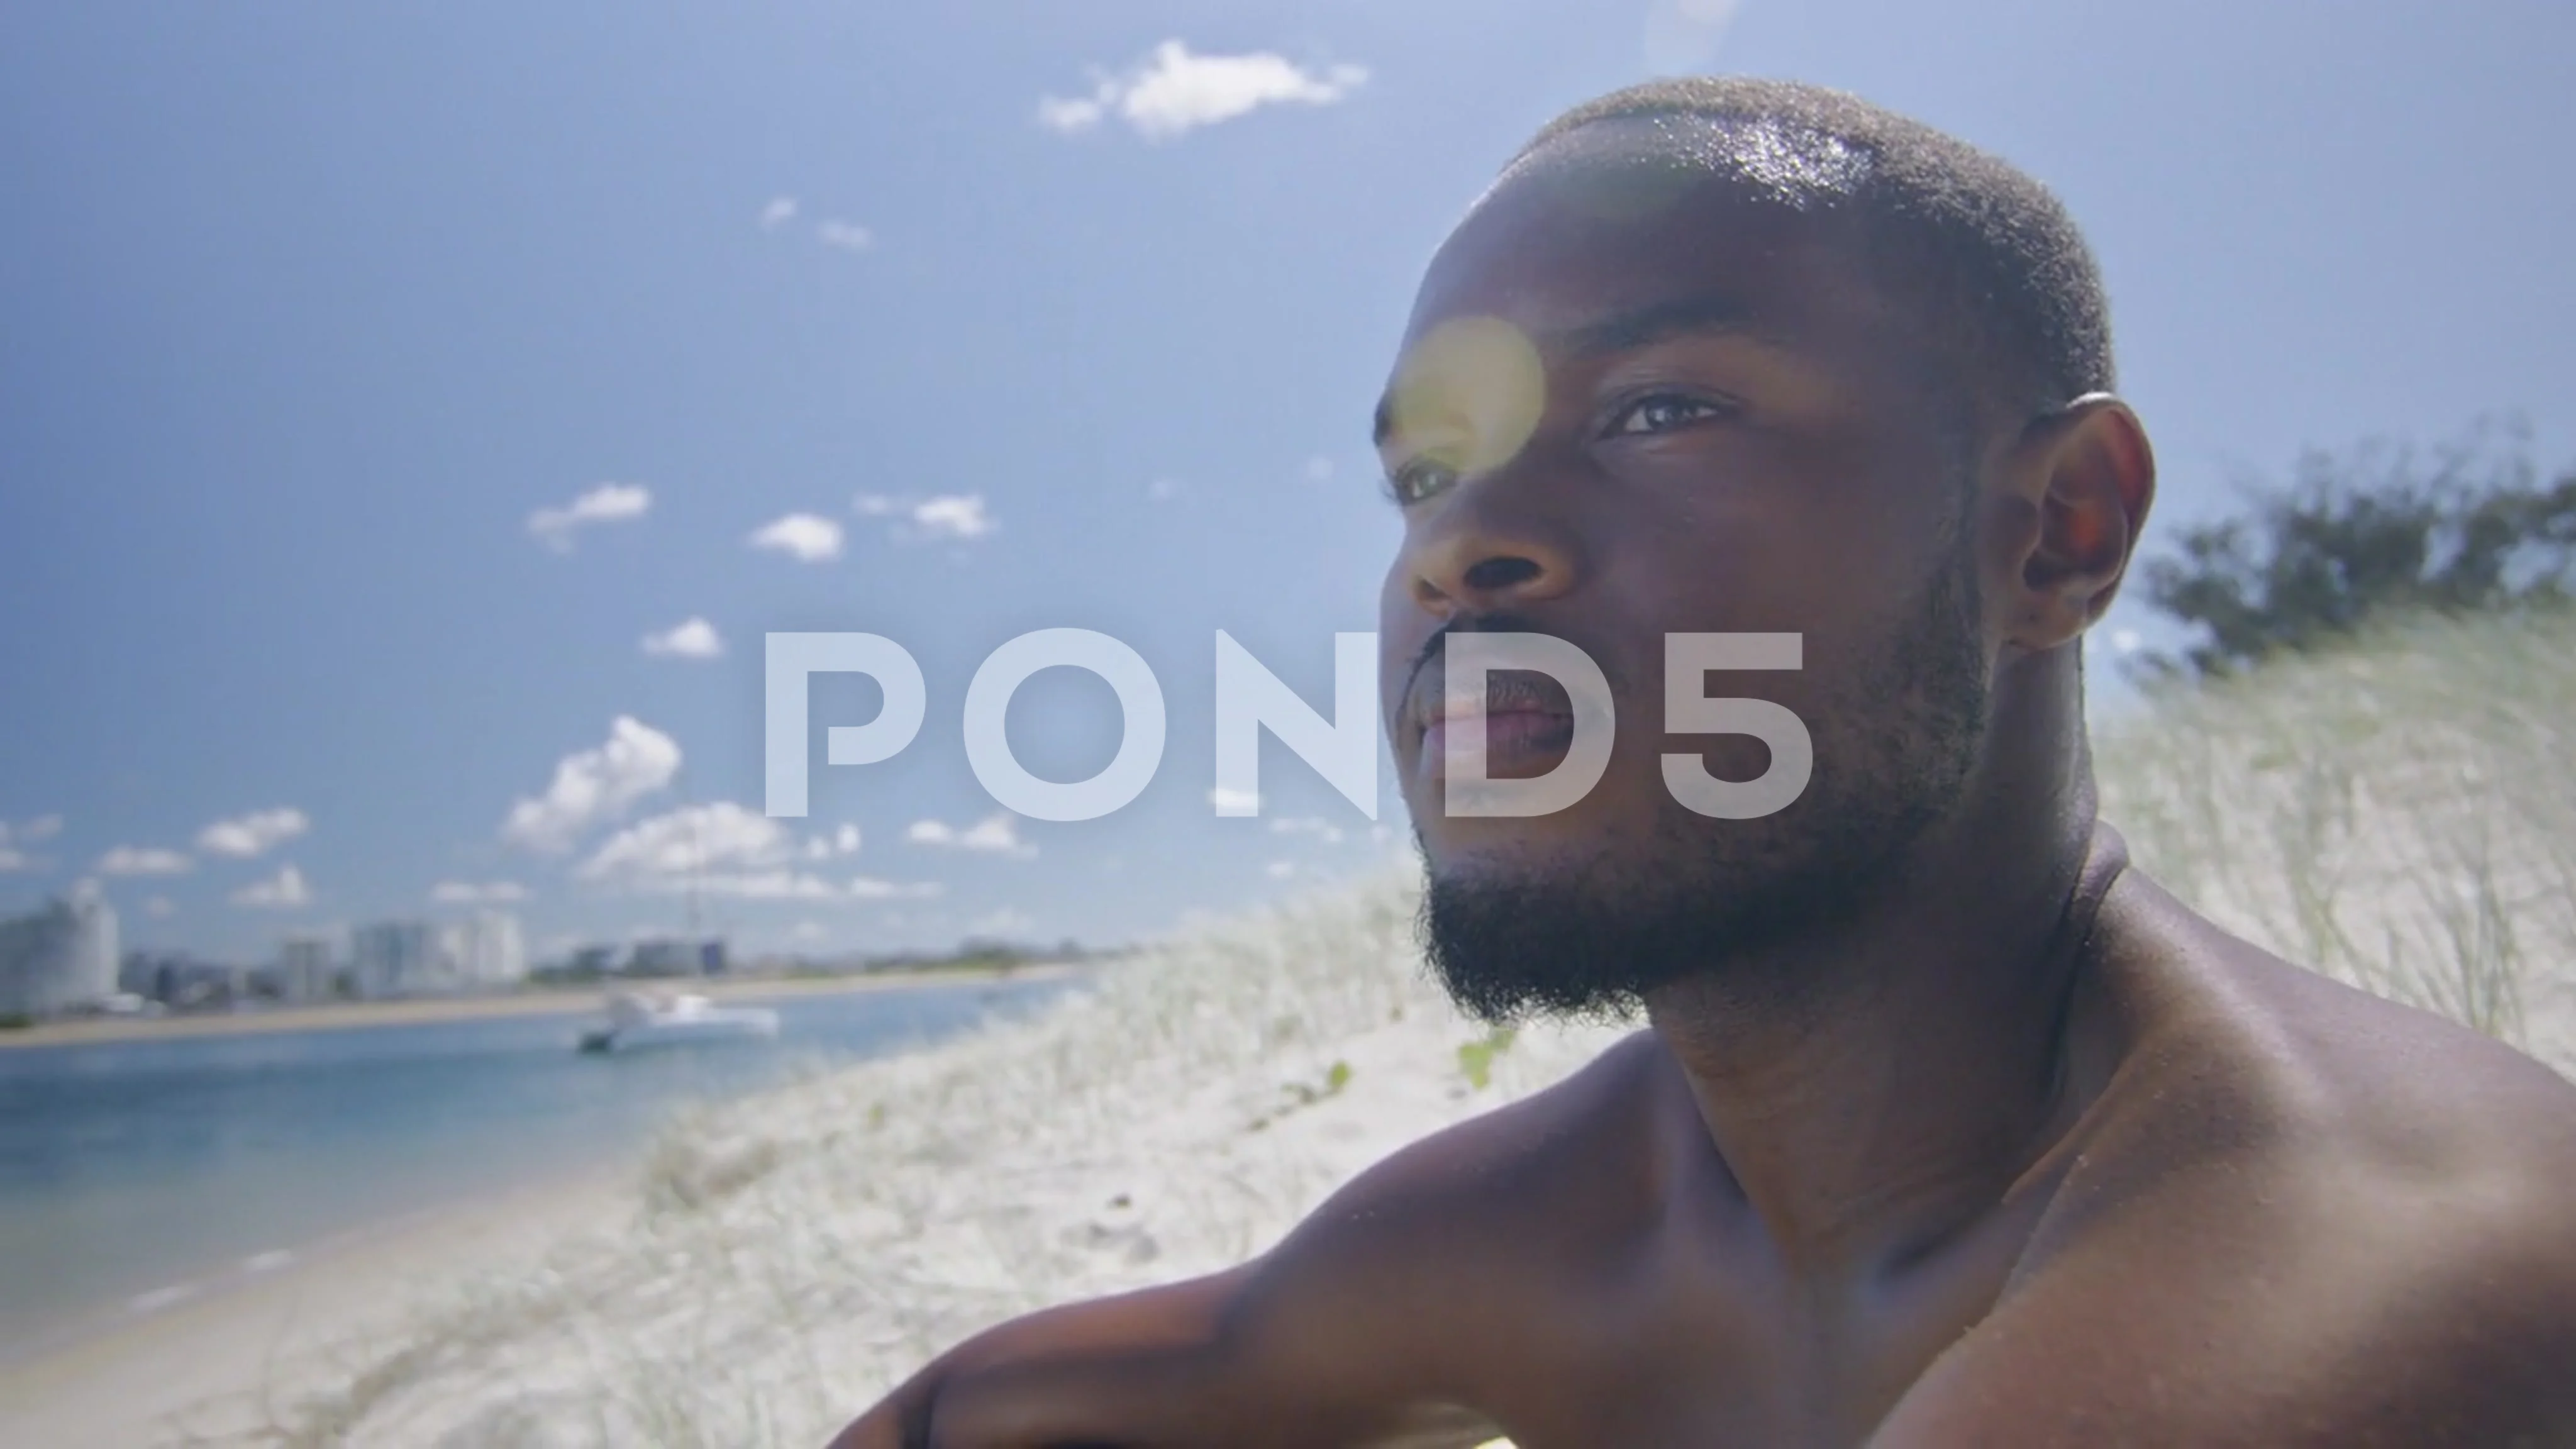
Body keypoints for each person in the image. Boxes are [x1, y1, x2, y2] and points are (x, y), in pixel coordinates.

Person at [832, 77, 2576, 1448]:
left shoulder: (2383, 1259)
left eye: (1660, 409)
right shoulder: (1585, 1223)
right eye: (1424, 478)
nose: (1466, 548)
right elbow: (987, 1417)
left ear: (2056, 532)